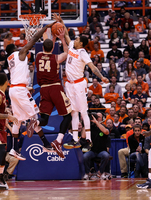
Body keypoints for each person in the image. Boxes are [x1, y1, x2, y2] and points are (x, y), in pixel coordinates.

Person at [53, 14, 109, 152]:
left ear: (81, 44)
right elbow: (66, 34)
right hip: (69, 84)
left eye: (77, 39)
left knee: (83, 112)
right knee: (73, 112)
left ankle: (88, 139)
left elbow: (92, 67)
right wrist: (61, 21)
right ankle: (75, 139)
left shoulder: (83, 52)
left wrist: (101, 77)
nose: (75, 39)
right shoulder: (72, 45)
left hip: (79, 84)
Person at [6, 22, 55, 161]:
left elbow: (16, 77)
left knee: (17, 121)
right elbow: (32, 41)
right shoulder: (19, 54)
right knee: (35, 116)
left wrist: (25, 87)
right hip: (19, 90)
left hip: (14, 89)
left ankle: (14, 149)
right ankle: (45, 143)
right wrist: (44, 29)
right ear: (14, 50)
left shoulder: (9, 59)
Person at [27, 28, 72, 158]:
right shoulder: (56, 58)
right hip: (55, 88)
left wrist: (51, 37)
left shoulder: (39, 55)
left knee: (44, 120)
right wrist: (62, 38)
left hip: (44, 90)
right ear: (52, 47)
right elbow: (67, 52)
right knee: (67, 116)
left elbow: (48, 47)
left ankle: (36, 123)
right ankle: (58, 141)